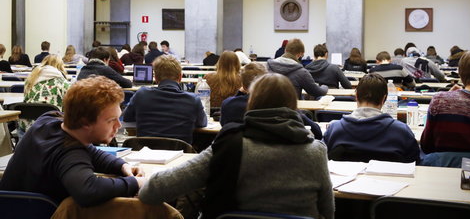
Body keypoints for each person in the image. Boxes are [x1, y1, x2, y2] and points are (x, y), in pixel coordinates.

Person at [138, 73, 334, 219]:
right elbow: (328, 212)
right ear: (293, 106)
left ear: (252, 102)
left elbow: (152, 191)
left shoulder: (229, 145)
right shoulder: (316, 151)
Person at [0, 76, 145, 206]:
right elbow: (89, 190)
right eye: (111, 121)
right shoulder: (69, 153)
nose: (118, 126)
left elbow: (93, 153)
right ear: (85, 122)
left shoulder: (49, 118)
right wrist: (135, 183)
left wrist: (122, 166)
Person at [323, 73, 420, 163]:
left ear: (356, 96)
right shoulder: (402, 132)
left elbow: (323, 161)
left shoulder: (333, 130)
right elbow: (415, 164)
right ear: (384, 99)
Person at [221, 63, 323, 139]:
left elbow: (223, 123)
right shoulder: (281, 107)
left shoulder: (228, 105)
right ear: (267, 83)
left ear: (243, 86)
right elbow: (317, 132)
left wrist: (240, 94)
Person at [123, 55, 207, 144]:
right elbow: (202, 123)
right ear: (180, 77)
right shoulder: (193, 100)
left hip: (146, 153)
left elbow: (127, 118)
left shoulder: (141, 94)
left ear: (156, 78)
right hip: (181, 155)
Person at [420, 50, 470, 154]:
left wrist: (447, 98)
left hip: (443, 167)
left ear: (460, 74)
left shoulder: (440, 100)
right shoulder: (441, 100)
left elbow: (426, 145)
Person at [20, 54, 71, 134]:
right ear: (61, 66)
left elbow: (25, 99)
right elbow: (67, 109)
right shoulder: (64, 84)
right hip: (53, 128)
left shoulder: (30, 80)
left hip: (28, 129)